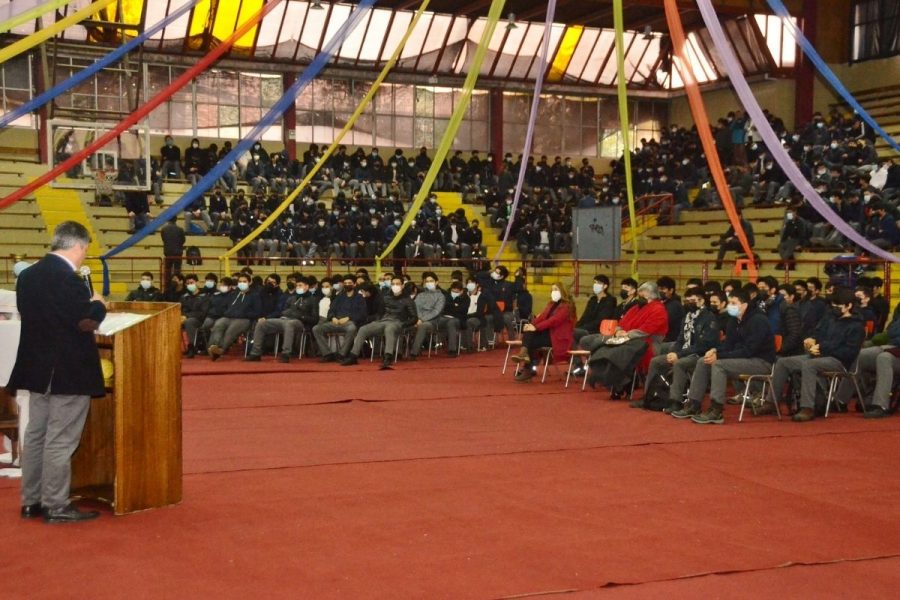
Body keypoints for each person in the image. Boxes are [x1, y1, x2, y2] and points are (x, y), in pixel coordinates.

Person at [8, 221, 107, 523]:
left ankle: (31, 500)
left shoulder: (28, 277)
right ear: (77, 246)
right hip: (67, 370)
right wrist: (98, 306)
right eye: (85, 251)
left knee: (36, 434)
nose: (84, 257)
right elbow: (84, 323)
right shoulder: (69, 280)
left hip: (37, 369)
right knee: (60, 439)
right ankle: (56, 505)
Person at [675, 289, 775, 424]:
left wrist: (719, 357)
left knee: (718, 364)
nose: (730, 306)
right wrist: (715, 350)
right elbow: (728, 345)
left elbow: (748, 351)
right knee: (703, 361)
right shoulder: (734, 320)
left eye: (733, 303)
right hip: (743, 359)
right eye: (729, 303)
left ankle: (716, 409)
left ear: (744, 305)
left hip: (761, 362)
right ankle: (694, 403)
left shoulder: (759, 320)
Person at [768, 287, 866, 421]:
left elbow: (849, 353)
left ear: (849, 306)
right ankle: (771, 402)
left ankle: (807, 407)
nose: (834, 308)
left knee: (809, 365)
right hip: (819, 355)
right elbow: (817, 333)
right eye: (833, 305)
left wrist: (822, 349)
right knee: (783, 362)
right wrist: (811, 339)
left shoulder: (857, 327)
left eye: (838, 306)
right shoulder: (830, 318)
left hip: (839, 361)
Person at [637, 287, 719, 412]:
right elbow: (680, 339)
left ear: (702, 301)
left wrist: (679, 355)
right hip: (683, 352)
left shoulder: (709, 318)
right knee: (655, 361)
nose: (688, 304)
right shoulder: (687, 316)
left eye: (692, 300)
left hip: (699, 355)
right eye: (686, 301)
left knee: (680, 364)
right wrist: (673, 352)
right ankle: (648, 396)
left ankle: (675, 401)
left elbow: (703, 345)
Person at [341, 275, 418, 369]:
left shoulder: (408, 300)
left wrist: (403, 324)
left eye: (397, 284)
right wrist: (376, 320)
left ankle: (388, 356)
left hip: (398, 322)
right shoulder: (386, 297)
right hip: (383, 321)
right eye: (393, 284)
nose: (395, 286)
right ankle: (353, 356)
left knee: (389, 328)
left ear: (402, 286)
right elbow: (380, 312)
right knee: (363, 329)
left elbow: (414, 318)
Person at [511, 283, 576, 382]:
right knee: (530, 334)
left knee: (531, 339)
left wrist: (535, 328)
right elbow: (541, 317)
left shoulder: (566, 306)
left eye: (556, 289)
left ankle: (526, 364)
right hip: (549, 334)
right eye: (552, 289)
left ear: (562, 292)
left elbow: (554, 321)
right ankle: (525, 358)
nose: (553, 292)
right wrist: (531, 325)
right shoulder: (551, 304)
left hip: (558, 338)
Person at [245, 275, 319, 363]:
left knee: (289, 324)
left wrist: (300, 316)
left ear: (306, 286)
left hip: (300, 322)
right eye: (297, 286)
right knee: (262, 323)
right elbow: (283, 311)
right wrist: (288, 313)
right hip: (283, 319)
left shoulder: (313, 300)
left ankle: (286, 354)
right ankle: (255, 353)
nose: (298, 287)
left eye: (300, 285)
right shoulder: (291, 298)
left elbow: (314, 319)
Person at [312, 275, 367, 362]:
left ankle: (342, 354)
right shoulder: (339, 296)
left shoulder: (359, 298)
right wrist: (333, 317)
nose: (347, 285)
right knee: (316, 329)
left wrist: (349, 318)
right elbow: (331, 310)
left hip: (349, 322)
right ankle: (327, 354)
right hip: (335, 322)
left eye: (349, 283)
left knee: (352, 328)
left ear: (354, 284)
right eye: (345, 283)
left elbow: (362, 314)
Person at [207, 274, 261, 360]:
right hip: (228, 317)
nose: (241, 283)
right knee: (218, 324)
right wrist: (226, 312)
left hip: (244, 319)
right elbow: (225, 306)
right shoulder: (233, 294)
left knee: (231, 330)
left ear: (250, 282)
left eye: (244, 281)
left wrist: (244, 313)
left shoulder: (255, 295)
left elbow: (257, 311)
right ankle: (215, 347)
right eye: (240, 281)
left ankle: (221, 349)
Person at [160, 217, 186, 283]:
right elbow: (183, 240)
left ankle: (167, 285)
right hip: (178, 252)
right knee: (177, 270)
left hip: (168, 252)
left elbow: (164, 239)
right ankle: (176, 284)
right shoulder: (180, 229)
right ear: (176, 220)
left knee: (167, 270)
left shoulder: (164, 229)